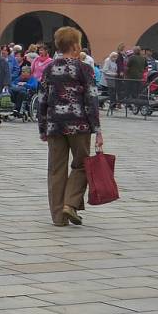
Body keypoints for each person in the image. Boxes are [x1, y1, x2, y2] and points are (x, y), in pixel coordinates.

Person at [37, 26, 102, 227]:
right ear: (75, 46)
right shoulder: (84, 68)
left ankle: (58, 217)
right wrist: (97, 130)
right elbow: (91, 99)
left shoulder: (48, 68)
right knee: (82, 164)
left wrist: (42, 127)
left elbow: (42, 100)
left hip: (55, 125)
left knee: (56, 170)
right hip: (79, 125)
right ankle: (70, 203)